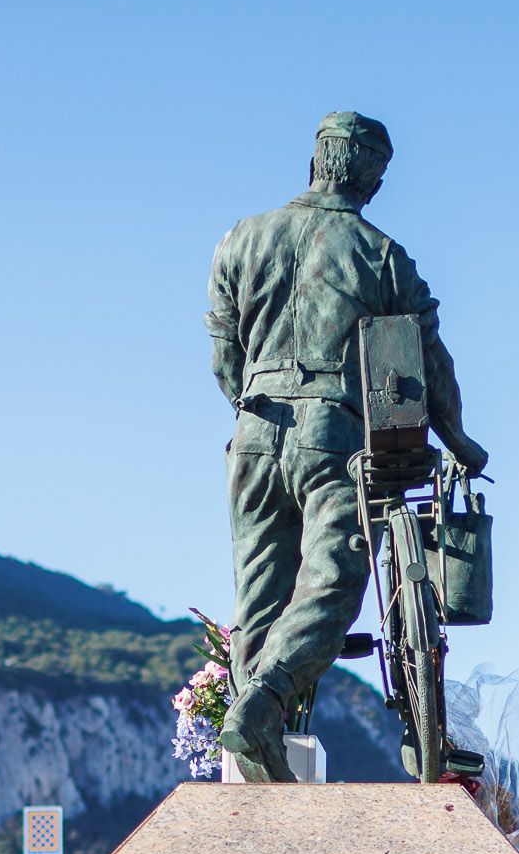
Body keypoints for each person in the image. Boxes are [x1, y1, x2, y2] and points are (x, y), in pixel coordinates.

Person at [203, 112, 488, 781]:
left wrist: (255, 410)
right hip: (332, 432)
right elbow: (427, 364)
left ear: (314, 163)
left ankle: (256, 755)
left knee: (259, 598)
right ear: (370, 179)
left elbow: (222, 357)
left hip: (252, 428)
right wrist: (460, 439)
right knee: (333, 582)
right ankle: (262, 704)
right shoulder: (382, 255)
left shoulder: (240, 239)